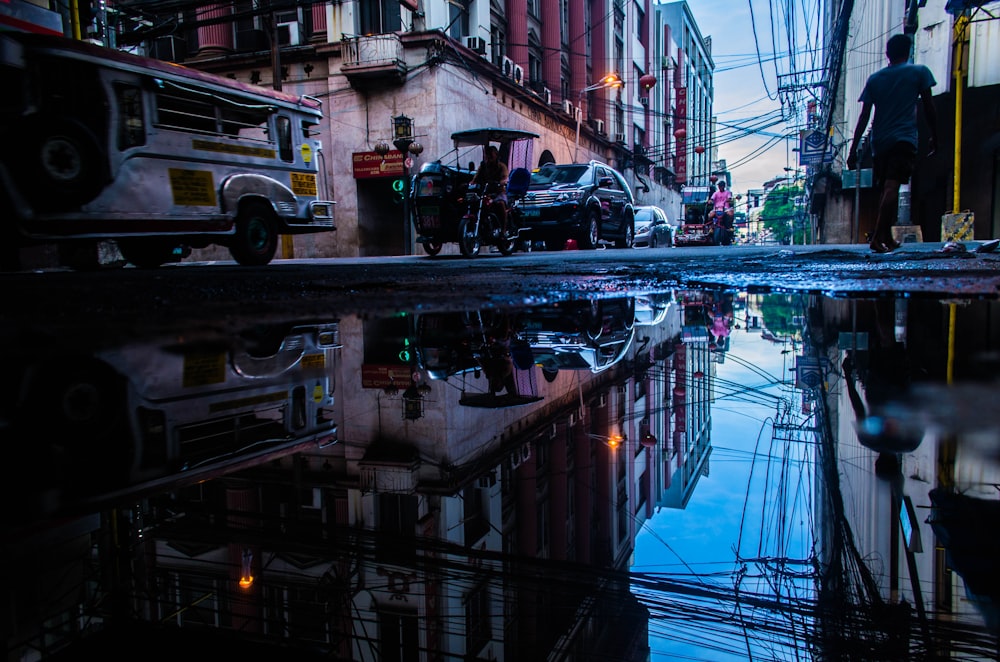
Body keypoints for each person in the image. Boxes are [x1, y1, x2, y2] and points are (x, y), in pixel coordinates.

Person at [847, 33, 938, 254]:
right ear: (908, 51)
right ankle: (878, 237)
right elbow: (929, 107)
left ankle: (887, 236)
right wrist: (935, 134)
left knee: (888, 188)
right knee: (892, 187)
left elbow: (864, 116)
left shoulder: (876, 79)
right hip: (903, 139)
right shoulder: (919, 73)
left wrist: (854, 149)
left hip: (880, 142)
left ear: (887, 54)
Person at [470, 145, 510, 235]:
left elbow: (505, 177)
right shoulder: (483, 166)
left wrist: (502, 182)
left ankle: (503, 230)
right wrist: (470, 184)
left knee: (500, 204)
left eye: (490, 155)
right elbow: (475, 178)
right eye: (487, 155)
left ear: (496, 155)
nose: (488, 157)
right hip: (486, 192)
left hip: (499, 192)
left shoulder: (501, 166)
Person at [706, 180, 734, 244]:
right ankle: (711, 227)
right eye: (719, 186)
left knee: (731, 213)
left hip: (725, 208)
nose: (720, 187)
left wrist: (728, 200)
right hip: (716, 209)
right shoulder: (716, 193)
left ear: (723, 186)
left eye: (721, 186)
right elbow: (712, 199)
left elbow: (729, 198)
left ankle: (729, 226)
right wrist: (710, 201)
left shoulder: (727, 193)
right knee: (710, 215)